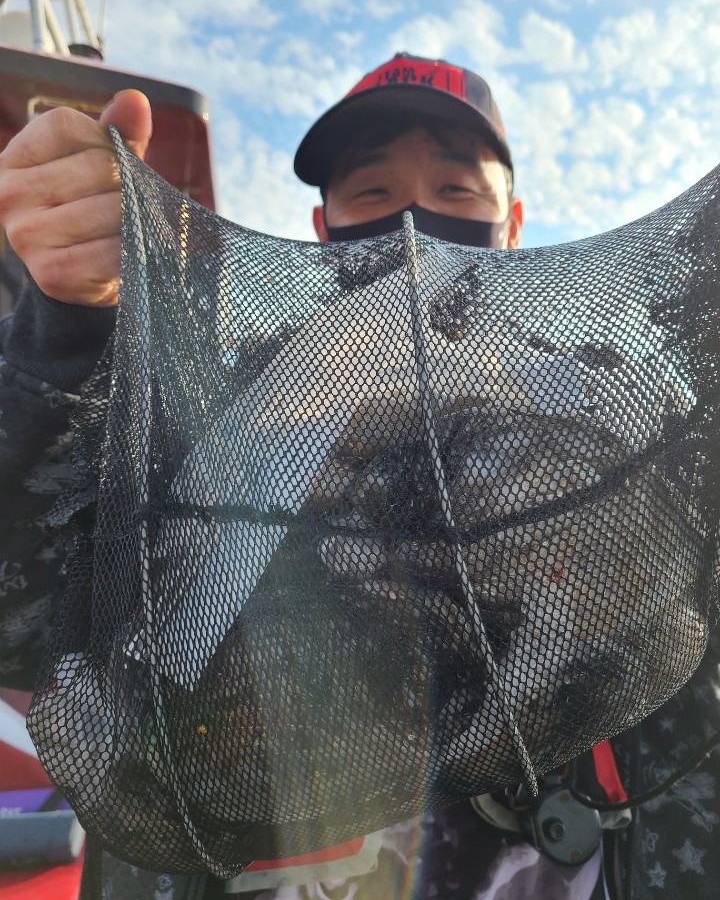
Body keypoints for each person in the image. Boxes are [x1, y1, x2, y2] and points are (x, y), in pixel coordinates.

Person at [0, 53, 719, 900]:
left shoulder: (615, 414)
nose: (414, 221)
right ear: (323, 226)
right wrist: (70, 324)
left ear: (514, 221)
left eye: (456, 191)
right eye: (373, 192)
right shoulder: (206, 406)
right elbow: (28, 619)